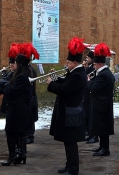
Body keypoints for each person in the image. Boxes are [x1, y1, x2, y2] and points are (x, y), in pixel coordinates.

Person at [47, 37, 87, 175]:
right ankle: (69, 165)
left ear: (75, 63)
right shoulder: (75, 72)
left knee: (71, 143)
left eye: (69, 62)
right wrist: (56, 78)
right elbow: (66, 83)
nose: (67, 64)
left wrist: (51, 84)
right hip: (69, 111)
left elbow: (64, 90)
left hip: (71, 112)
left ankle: (73, 169)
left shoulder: (78, 75)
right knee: (67, 142)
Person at [1, 43, 39, 166]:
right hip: (22, 107)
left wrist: (4, 84)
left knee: (11, 132)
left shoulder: (22, 77)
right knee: (21, 132)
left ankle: (13, 156)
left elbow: (11, 92)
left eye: (16, 63)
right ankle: (22, 154)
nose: (14, 65)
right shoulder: (26, 74)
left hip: (17, 108)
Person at [88, 43, 115, 156]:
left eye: (94, 64)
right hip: (101, 103)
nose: (93, 66)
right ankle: (102, 146)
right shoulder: (103, 73)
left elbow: (94, 88)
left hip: (102, 104)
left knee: (103, 127)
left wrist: (88, 81)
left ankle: (105, 149)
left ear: (99, 64)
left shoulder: (104, 74)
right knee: (100, 126)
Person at [83, 50, 98, 144]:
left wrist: (87, 69)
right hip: (87, 94)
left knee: (91, 115)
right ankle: (90, 133)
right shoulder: (90, 68)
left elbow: (89, 79)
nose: (86, 59)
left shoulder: (94, 69)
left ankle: (93, 134)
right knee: (87, 114)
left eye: (88, 58)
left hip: (91, 94)